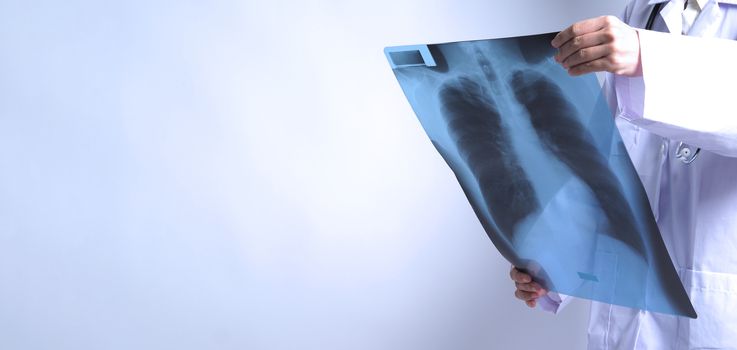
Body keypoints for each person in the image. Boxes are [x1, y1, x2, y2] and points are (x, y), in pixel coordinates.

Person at [509, 0, 737, 348]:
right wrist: (552, 262)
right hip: (628, 317)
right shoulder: (645, 11)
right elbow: (606, 158)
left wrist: (649, 57)